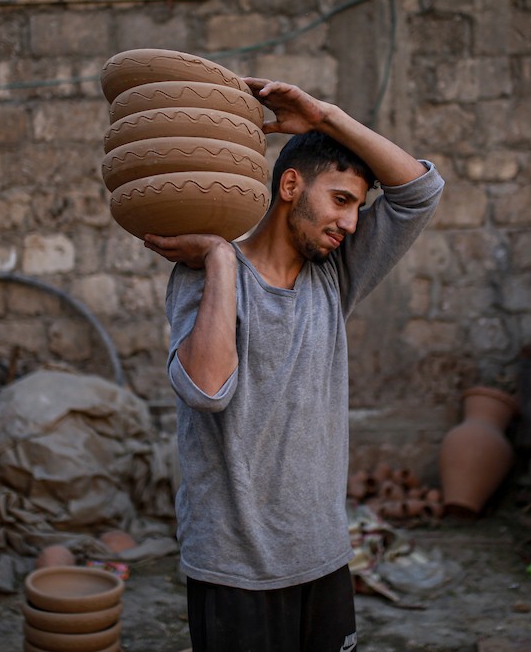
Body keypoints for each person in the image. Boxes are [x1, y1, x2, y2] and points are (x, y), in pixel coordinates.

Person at [143, 77, 445, 652]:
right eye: (340, 200)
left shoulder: (335, 277)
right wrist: (219, 259)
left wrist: (325, 115)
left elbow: (420, 191)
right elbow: (208, 390)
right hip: (233, 567)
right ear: (289, 186)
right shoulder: (203, 275)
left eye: (356, 207)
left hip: (324, 555)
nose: (352, 223)